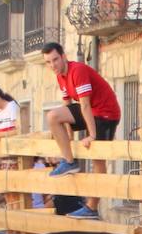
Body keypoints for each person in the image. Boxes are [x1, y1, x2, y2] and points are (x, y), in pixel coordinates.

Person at [43, 41, 120, 178]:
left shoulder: (77, 70)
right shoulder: (60, 76)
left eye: (55, 59)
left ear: (63, 57)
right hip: (92, 111)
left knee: (97, 159)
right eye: (48, 62)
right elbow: (67, 106)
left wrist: (92, 136)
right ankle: (70, 162)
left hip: (106, 114)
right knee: (52, 116)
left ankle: (94, 199)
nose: (53, 65)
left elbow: (85, 105)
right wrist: (69, 136)